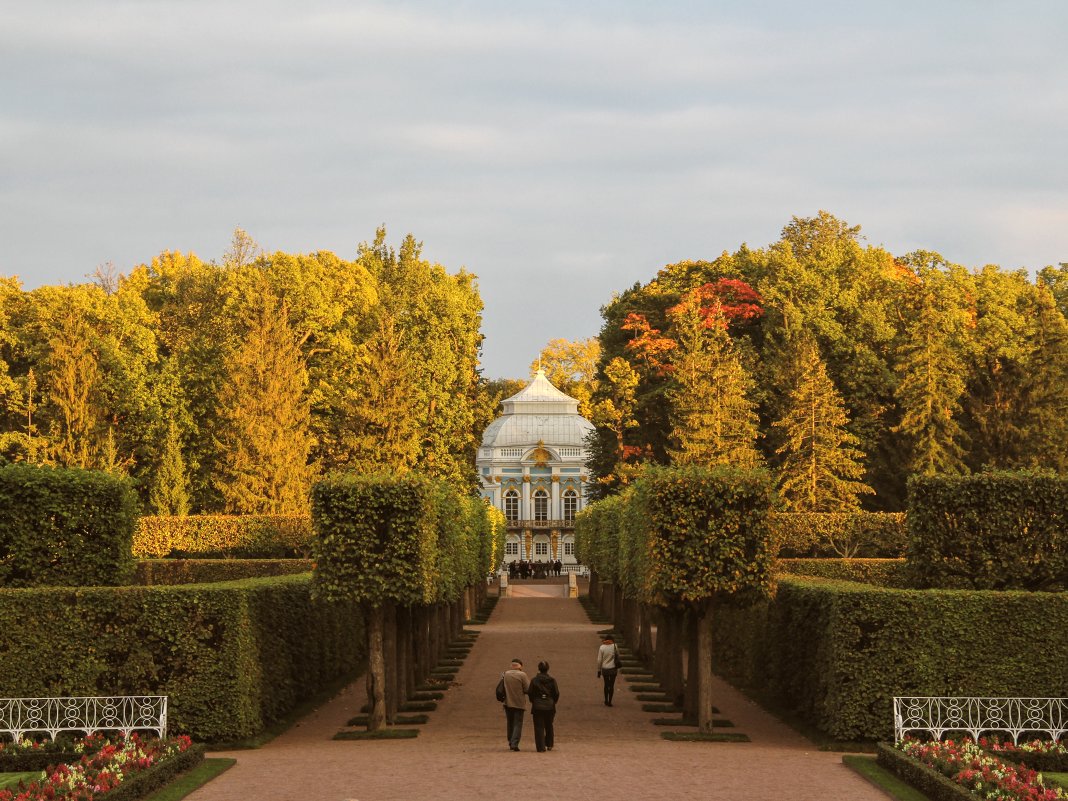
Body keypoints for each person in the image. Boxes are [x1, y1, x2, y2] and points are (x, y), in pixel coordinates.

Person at [527, 661, 560, 752]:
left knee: (538, 726)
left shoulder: (534, 680)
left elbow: (530, 692)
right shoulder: (552, 680)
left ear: (539, 669)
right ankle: (549, 744)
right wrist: (553, 701)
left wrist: (533, 701)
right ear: (548, 669)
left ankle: (540, 747)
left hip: (537, 705)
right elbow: (556, 693)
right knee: (549, 725)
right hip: (549, 705)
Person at [502, 658, 530, 750]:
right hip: (519, 703)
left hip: (507, 702)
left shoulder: (505, 674)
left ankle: (510, 741)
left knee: (510, 723)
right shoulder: (522, 675)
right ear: (520, 666)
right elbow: (527, 689)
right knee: (517, 723)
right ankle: (514, 743)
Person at [596, 634, 621, 706]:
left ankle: (606, 700)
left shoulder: (602, 647)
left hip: (605, 669)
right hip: (613, 668)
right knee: (612, 685)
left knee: (606, 685)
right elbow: (618, 655)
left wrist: (598, 670)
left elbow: (599, 660)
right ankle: (610, 701)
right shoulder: (614, 646)